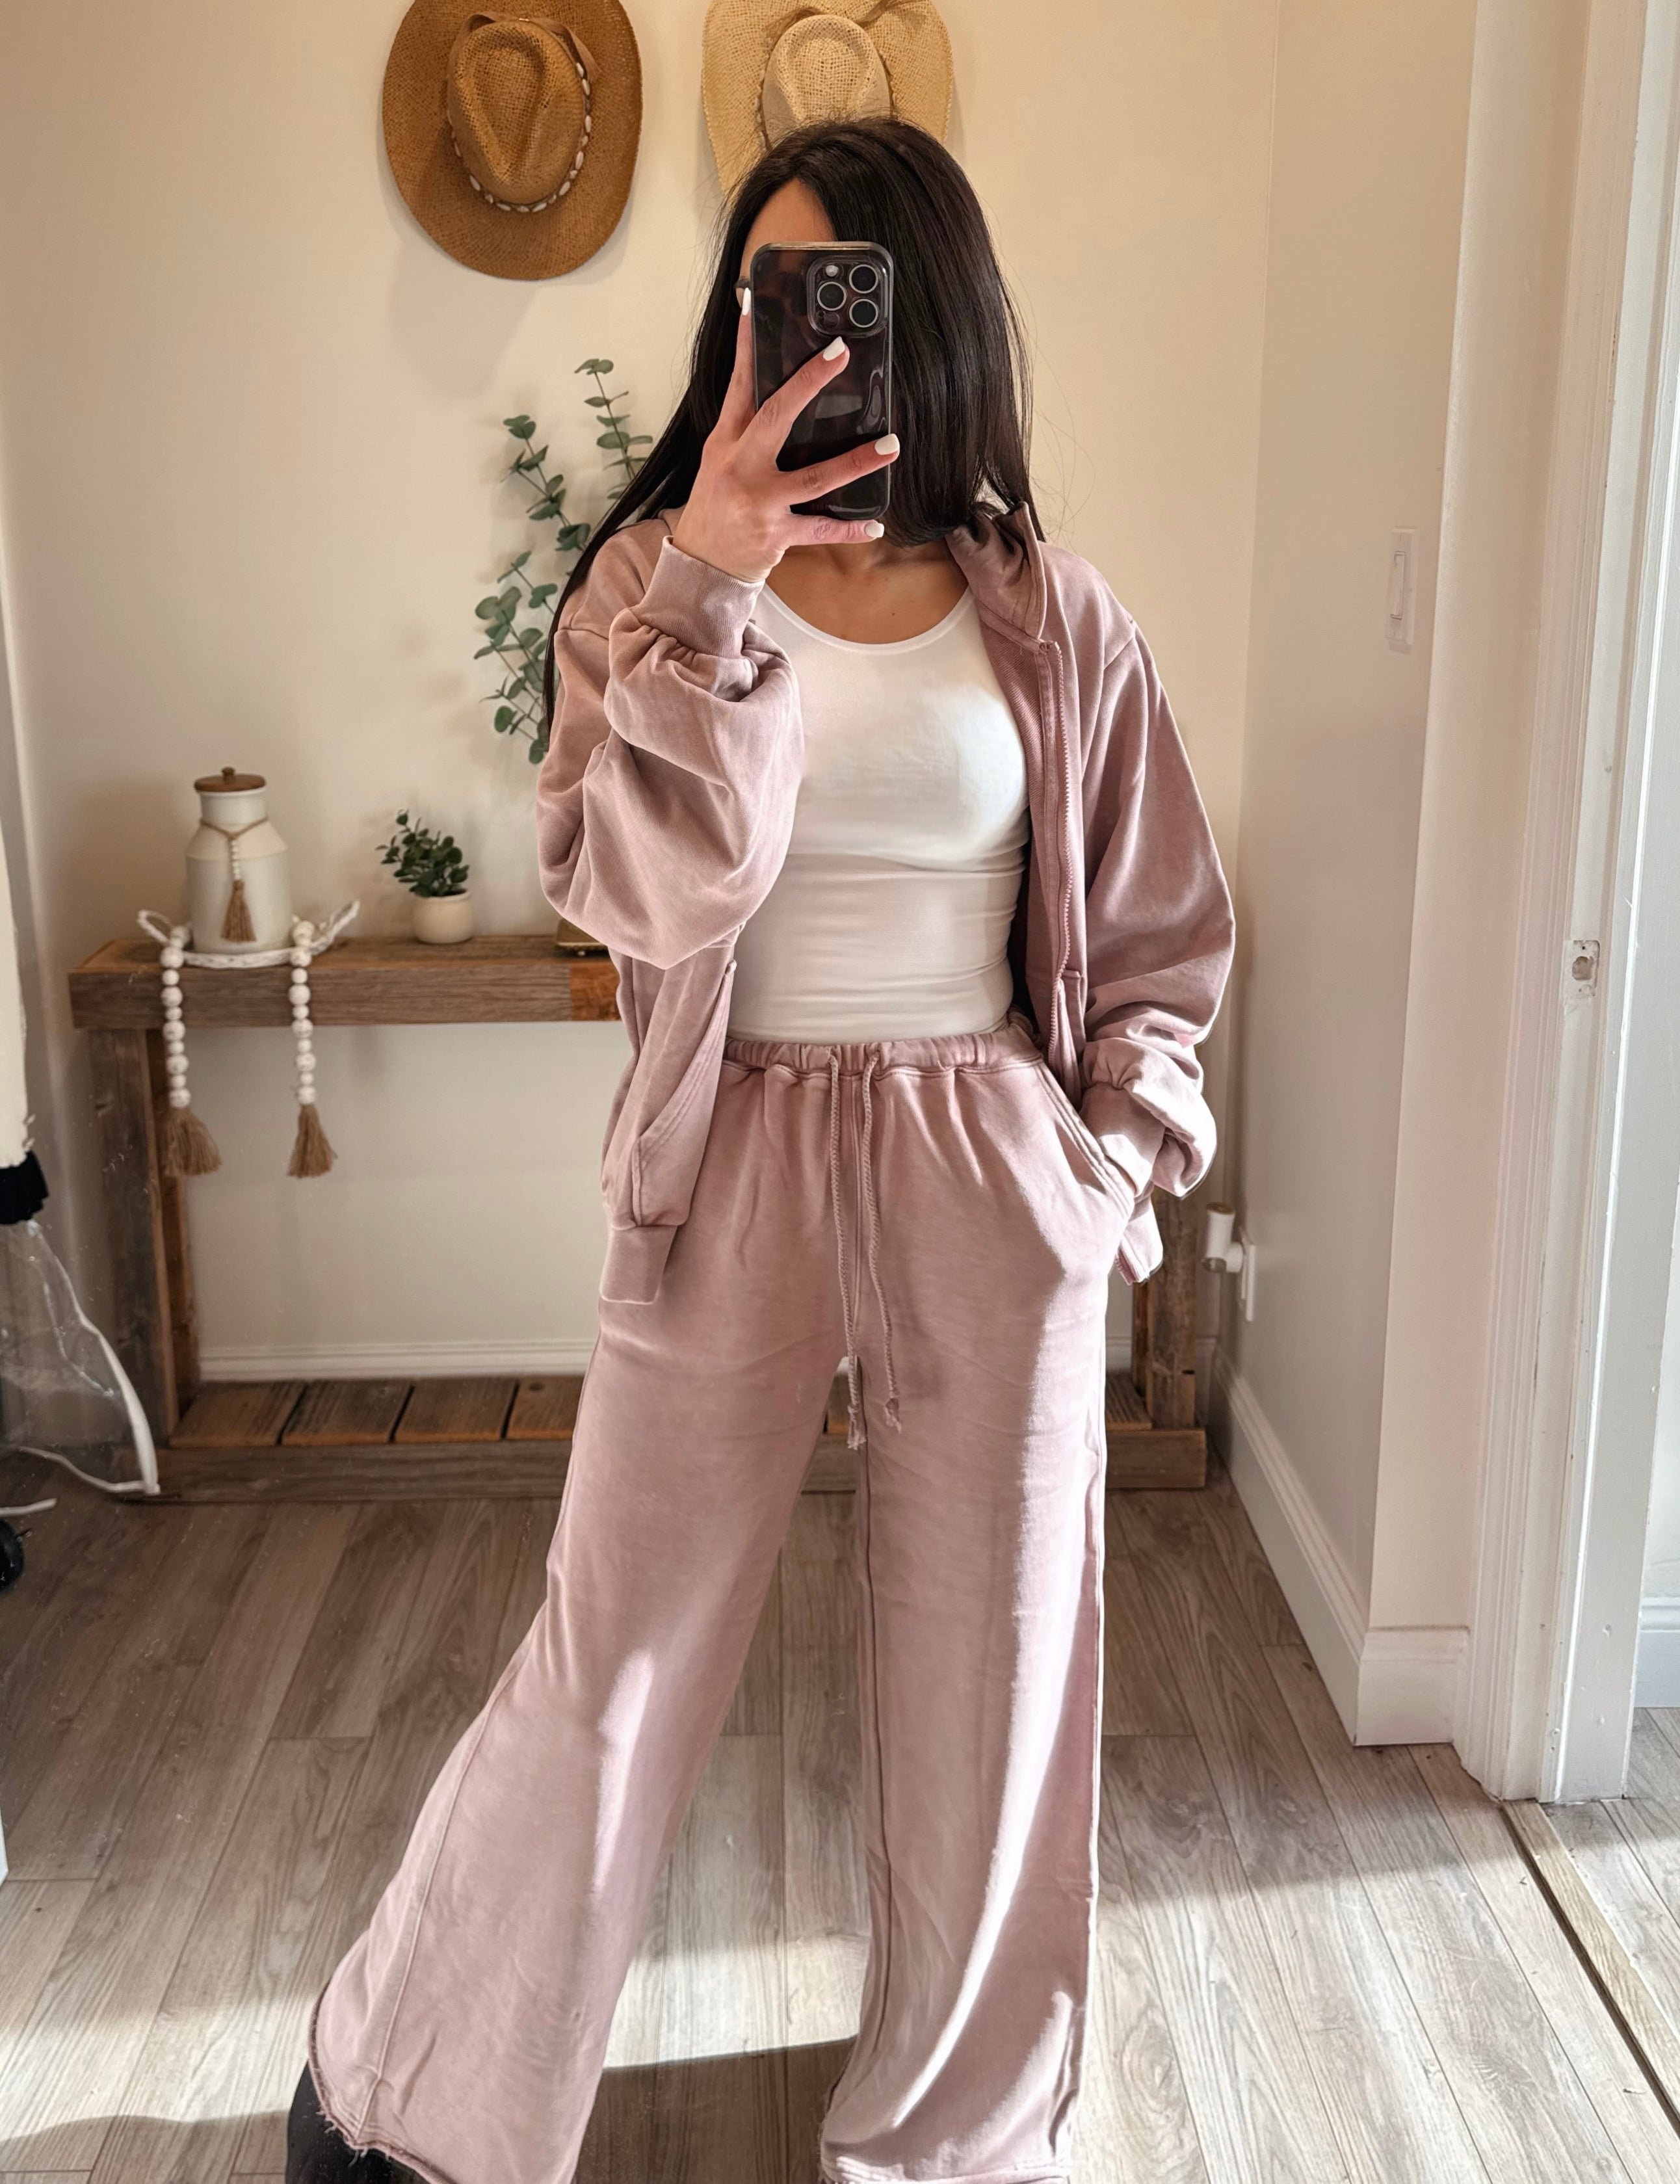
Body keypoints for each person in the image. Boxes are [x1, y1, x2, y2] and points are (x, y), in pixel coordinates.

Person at [288, 115, 1233, 2184]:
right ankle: (417, 2104)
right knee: (613, 1655)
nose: (800, 345)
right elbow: (642, 895)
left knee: (995, 1681)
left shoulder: (1057, 617)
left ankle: (955, 2135)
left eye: (840, 303)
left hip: (992, 1160)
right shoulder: (644, 591)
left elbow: (1162, 937)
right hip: (734, 1157)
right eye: (768, 302)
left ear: (929, 320)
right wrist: (715, 584)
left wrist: (1108, 1169)